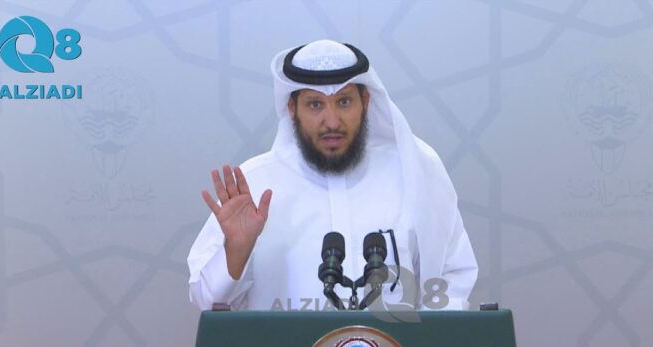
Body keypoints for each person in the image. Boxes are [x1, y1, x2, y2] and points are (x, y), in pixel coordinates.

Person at [187, 40, 478, 311]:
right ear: (292, 108)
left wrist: (423, 341)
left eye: (344, 102)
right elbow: (207, 301)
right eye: (315, 104)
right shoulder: (253, 184)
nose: (332, 121)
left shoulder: (414, 170)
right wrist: (236, 251)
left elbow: (453, 277)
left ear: (365, 100)